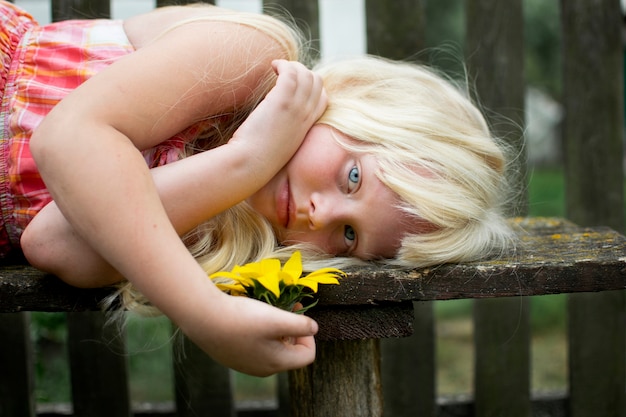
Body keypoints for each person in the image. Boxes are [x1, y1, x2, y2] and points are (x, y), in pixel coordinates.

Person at [1, 1, 514, 376]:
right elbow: (67, 139)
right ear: (358, 102)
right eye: (353, 176)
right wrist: (206, 313)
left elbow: (50, 242)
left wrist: (236, 172)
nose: (319, 213)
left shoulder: (216, 233)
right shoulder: (251, 56)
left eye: (349, 236)